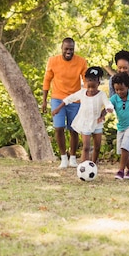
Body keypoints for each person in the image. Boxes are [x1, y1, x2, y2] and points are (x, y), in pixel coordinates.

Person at [52, 67, 113, 164]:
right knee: (86, 147)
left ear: (98, 83)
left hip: (97, 122)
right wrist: (58, 108)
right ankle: (84, 166)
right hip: (85, 123)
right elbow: (68, 99)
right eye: (89, 87)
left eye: (93, 87)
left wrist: (107, 110)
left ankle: (93, 164)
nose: (91, 90)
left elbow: (107, 104)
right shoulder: (82, 93)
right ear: (85, 83)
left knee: (97, 147)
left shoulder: (101, 95)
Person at [42, 38, 88, 168]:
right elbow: (47, 80)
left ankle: (73, 157)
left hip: (75, 99)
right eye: (66, 49)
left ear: (74, 49)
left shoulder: (81, 62)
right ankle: (63, 158)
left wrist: (85, 97)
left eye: (71, 49)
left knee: (74, 129)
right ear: (61, 48)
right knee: (59, 128)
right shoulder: (53, 61)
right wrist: (44, 101)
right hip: (57, 98)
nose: (69, 51)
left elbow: (86, 80)